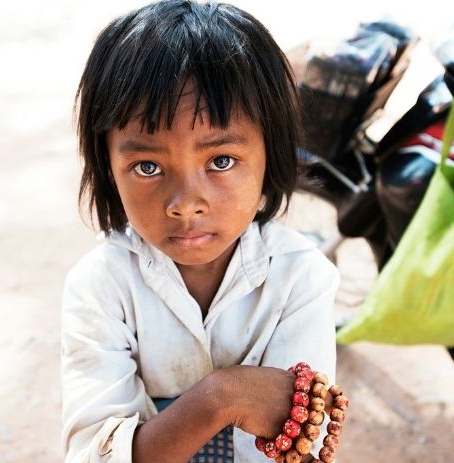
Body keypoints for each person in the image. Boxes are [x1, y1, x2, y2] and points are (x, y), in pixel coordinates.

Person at [61, 1, 339, 462]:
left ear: (269, 154)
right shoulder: (100, 286)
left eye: (221, 161)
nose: (186, 202)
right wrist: (222, 397)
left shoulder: (299, 279)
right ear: (108, 168)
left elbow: (297, 448)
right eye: (147, 165)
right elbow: (94, 453)